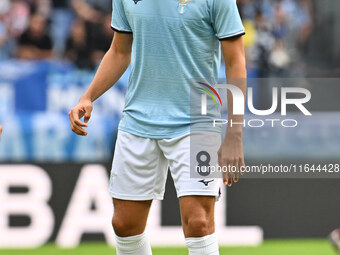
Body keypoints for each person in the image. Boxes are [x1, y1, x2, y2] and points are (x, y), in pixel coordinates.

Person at [69, 0, 246, 254]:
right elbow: (120, 51)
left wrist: (235, 134)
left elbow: (235, 61)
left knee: (199, 222)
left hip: (197, 123)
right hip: (138, 121)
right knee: (124, 224)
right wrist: (88, 96)